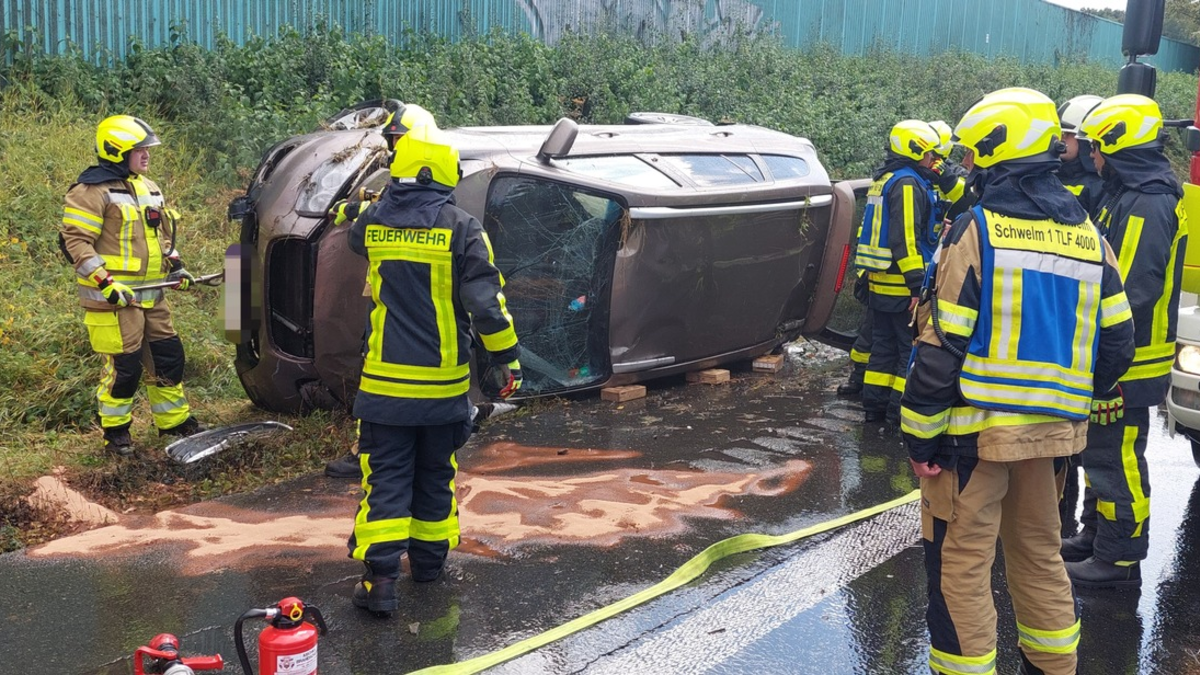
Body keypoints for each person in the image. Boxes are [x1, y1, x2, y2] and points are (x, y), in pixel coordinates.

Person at [900, 87, 1134, 675]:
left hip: (973, 441)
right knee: (1040, 557)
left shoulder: (978, 230)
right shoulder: (1088, 235)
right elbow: (1118, 344)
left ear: (999, 155)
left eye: (977, 157)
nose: (970, 170)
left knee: (961, 567)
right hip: (1053, 439)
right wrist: (1069, 401)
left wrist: (920, 440)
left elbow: (941, 348)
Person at [344, 121, 523, 614]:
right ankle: (428, 567)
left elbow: (357, 232)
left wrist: (371, 202)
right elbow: (488, 307)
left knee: (385, 478)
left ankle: (379, 584)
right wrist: (508, 359)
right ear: (446, 176)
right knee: (434, 475)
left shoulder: (373, 224)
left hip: (383, 387)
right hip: (443, 389)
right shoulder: (464, 229)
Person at [1064, 94, 1187, 588]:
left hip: (1131, 360)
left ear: (1118, 146)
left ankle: (1118, 558)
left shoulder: (1148, 201)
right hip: (1120, 355)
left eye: (1096, 147)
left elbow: (1130, 289)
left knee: (1119, 459)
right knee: (1100, 452)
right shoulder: (1128, 192)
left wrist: (1097, 345)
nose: (1092, 157)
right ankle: (1095, 535)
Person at [60, 115, 203, 456]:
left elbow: (162, 238)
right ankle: (116, 434)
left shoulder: (149, 188)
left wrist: (177, 266)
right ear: (116, 151)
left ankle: (174, 423)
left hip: (154, 294)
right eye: (139, 150)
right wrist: (105, 283)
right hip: (114, 300)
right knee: (124, 368)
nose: (146, 156)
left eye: (147, 149)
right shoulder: (90, 192)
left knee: (169, 358)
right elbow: (76, 243)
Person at [324, 102, 440, 480]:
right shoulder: (417, 184)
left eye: (399, 140)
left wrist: (358, 214)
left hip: (403, 303)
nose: (392, 149)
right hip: (399, 300)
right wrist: (351, 210)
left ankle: (368, 452)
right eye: (391, 140)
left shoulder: (411, 191)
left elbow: (368, 232)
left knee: (379, 373)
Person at [855, 120, 940, 423]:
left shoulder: (886, 178)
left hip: (880, 283)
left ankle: (874, 409)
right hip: (901, 287)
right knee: (906, 351)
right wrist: (918, 287)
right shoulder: (906, 183)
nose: (933, 161)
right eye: (930, 154)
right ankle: (896, 413)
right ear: (915, 151)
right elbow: (903, 239)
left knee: (882, 350)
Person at [1056, 95, 1106, 216]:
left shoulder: (1101, 187)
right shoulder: (1051, 172)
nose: (1060, 139)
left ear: (1086, 141)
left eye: (1066, 134)